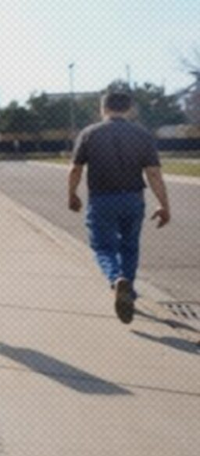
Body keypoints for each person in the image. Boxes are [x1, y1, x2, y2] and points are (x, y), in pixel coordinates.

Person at [68, 90, 171, 324]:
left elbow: (75, 169)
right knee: (129, 246)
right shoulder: (142, 135)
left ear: (102, 108)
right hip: (133, 199)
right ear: (130, 109)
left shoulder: (89, 133)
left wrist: (72, 194)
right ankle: (129, 291)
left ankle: (116, 280)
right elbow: (153, 173)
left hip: (102, 199)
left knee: (103, 247)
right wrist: (164, 205)